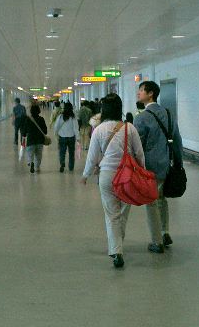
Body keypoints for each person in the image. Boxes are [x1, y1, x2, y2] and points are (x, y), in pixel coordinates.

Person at [80, 93, 145, 268]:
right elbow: (139, 153)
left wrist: (85, 175)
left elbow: (92, 157)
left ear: (104, 109)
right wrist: (142, 170)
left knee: (111, 214)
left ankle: (116, 250)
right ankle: (118, 245)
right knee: (122, 212)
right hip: (128, 176)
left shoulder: (99, 130)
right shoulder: (130, 128)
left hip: (107, 175)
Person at [133, 81, 183, 254]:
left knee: (151, 202)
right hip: (166, 164)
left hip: (150, 166)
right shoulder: (168, 114)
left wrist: (135, 167)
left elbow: (137, 146)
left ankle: (157, 241)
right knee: (161, 199)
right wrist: (178, 163)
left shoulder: (141, 118)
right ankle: (164, 232)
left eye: (141, 90)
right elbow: (177, 140)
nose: (138, 93)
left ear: (151, 94)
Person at [20, 104, 48, 174]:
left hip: (30, 140)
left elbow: (24, 131)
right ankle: (37, 167)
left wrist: (24, 135)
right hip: (40, 140)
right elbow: (45, 131)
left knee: (30, 153)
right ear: (39, 111)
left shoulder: (28, 119)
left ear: (31, 111)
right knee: (38, 155)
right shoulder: (41, 119)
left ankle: (31, 162)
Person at [54, 102, 79, 172]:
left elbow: (56, 126)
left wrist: (55, 133)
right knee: (71, 153)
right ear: (71, 108)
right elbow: (76, 128)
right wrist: (78, 138)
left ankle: (62, 163)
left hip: (62, 137)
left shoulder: (60, 116)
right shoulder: (73, 117)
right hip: (71, 137)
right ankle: (71, 167)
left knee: (62, 152)